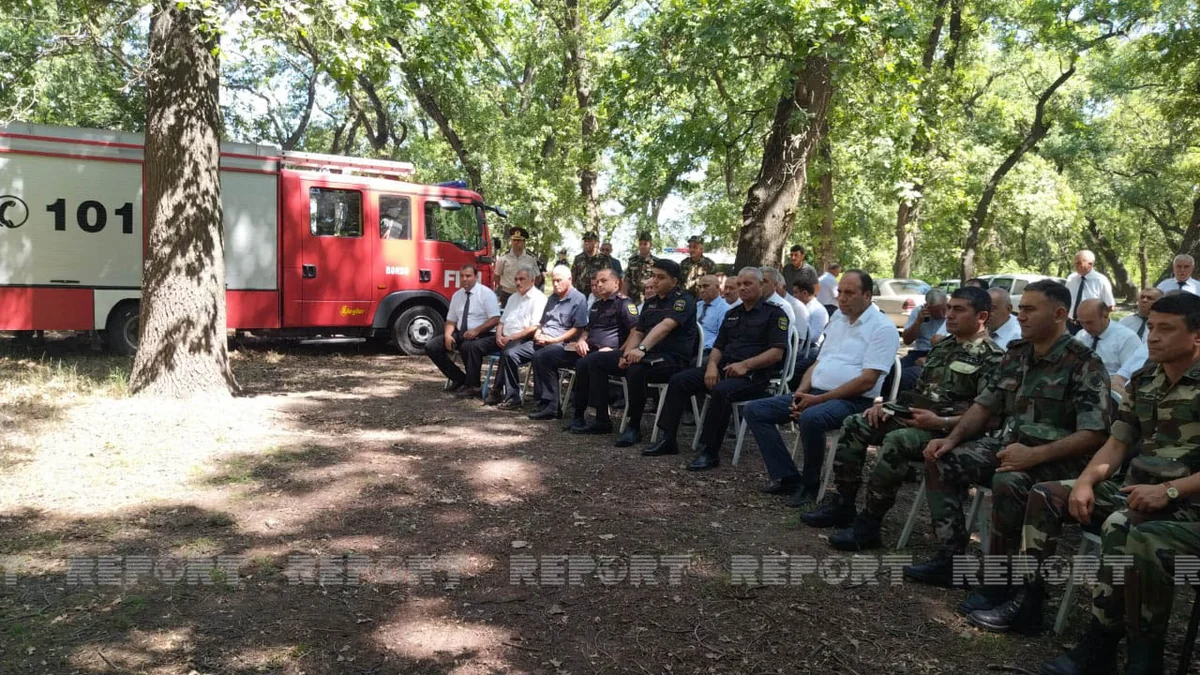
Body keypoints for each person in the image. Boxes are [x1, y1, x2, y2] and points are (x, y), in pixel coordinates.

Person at [965, 293, 1200, 675]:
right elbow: (1117, 442)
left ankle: (1118, 648)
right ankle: (1030, 600)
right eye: (1152, 328)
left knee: (1123, 528)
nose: (1153, 337)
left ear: (1197, 337)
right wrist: (1086, 483)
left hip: (1188, 502)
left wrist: (1170, 491)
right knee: (1047, 494)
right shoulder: (1147, 381)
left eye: (1166, 330)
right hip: (1140, 490)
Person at [902, 280, 1111, 596]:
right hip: (1010, 448)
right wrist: (952, 438)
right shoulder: (1017, 355)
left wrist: (1035, 456)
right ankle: (950, 561)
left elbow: (1094, 435)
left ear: (1058, 314)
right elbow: (986, 404)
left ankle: (1002, 583)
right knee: (942, 459)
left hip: (1059, 461)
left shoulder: (1084, 363)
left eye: (1029, 309)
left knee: (1008, 482)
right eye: (1020, 308)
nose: (1020, 315)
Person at [804, 287, 1005, 550]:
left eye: (959, 309)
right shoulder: (943, 347)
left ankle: (869, 524)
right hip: (919, 418)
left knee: (898, 440)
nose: (949, 315)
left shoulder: (994, 358)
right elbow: (920, 393)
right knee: (856, 423)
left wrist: (940, 423)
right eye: (949, 308)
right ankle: (843, 504)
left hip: (952, 431)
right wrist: (890, 407)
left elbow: (989, 418)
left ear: (981, 316)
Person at [744, 270, 899, 508]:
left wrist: (818, 400)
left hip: (855, 401)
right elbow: (819, 362)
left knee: (811, 417)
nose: (842, 298)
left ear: (867, 295)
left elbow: (868, 381)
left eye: (849, 293)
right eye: (840, 292)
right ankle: (787, 477)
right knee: (756, 410)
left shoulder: (882, 328)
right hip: (817, 394)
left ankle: (810, 483)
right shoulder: (837, 319)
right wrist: (801, 394)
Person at [642, 267, 788, 470]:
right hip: (723, 368)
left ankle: (710, 450)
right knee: (680, 380)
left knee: (722, 391)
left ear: (761, 285)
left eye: (748, 284)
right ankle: (668, 438)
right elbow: (718, 346)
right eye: (740, 284)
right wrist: (711, 366)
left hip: (753, 375)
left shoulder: (775, 314)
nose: (742, 288)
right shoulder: (732, 314)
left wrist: (745, 365)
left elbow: (776, 353)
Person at [569, 259, 697, 447]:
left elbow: (665, 327)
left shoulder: (683, 300)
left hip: (671, 358)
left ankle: (634, 426)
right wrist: (626, 354)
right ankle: (601, 419)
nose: (655, 281)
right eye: (654, 276)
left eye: (661, 277)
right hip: (645, 354)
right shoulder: (651, 302)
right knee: (594, 361)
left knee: (636, 368)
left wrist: (641, 350)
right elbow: (638, 331)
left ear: (675, 281)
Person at [531, 268, 637, 421]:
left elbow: (635, 331)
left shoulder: (624, 304)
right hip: (587, 350)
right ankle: (550, 405)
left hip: (609, 353)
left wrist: (618, 351)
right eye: (597, 282)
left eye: (603, 281)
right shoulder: (597, 305)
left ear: (616, 283)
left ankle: (580, 415)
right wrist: (581, 341)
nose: (599, 285)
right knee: (543, 355)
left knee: (584, 363)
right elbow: (586, 330)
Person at [492, 265, 588, 411]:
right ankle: (513, 397)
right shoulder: (552, 298)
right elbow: (542, 323)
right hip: (542, 339)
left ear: (570, 279)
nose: (555, 284)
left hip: (562, 343)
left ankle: (547, 403)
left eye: (559, 280)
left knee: (541, 356)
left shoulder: (578, 299)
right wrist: (538, 334)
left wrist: (553, 340)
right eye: (553, 280)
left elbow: (577, 329)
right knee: (509, 354)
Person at [425, 264, 502, 397]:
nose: (464, 279)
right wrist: (448, 335)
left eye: (468, 276)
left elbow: (495, 319)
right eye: (462, 276)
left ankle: (473, 386)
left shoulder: (486, 294)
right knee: (432, 346)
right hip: (462, 332)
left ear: (475, 277)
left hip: (484, 333)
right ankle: (459, 379)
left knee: (468, 346)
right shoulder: (457, 295)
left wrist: (477, 331)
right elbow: (451, 320)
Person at [483, 266, 548, 406]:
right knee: (474, 345)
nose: (518, 282)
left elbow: (534, 327)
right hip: (503, 336)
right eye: (516, 279)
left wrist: (511, 337)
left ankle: (504, 393)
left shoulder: (539, 299)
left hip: (523, 338)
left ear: (532, 280)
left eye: (522, 279)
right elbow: (502, 320)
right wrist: (499, 334)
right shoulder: (513, 297)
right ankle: (471, 385)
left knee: (508, 352)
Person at [1074, 298, 1149, 394]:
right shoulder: (1081, 335)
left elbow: (1132, 375)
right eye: (1081, 323)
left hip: (1111, 392)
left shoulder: (1127, 338)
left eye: (1089, 322)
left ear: (1105, 315)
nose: (1086, 327)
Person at [896, 289, 949, 390]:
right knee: (894, 370)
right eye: (936, 311)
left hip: (940, 355)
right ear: (927, 307)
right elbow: (907, 341)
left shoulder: (952, 315)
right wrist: (918, 321)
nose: (942, 314)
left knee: (906, 376)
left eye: (944, 309)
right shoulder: (918, 312)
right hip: (919, 352)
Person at [1065, 249, 1116, 333]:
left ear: (1090, 264)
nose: (1075, 265)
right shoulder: (1071, 278)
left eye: (1079, 263)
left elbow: (1109, 306)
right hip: (1069, 324)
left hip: (1089, 327)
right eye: (1075, 262)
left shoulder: (1101, 280)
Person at [493, 226, 540, 306]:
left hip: (525, 294)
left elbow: (538, 277)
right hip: (507, 294)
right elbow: (496, 276)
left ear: (524, 242)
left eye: (518, 240)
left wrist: (530, 290)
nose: (515, 242)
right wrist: (503, 287)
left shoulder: (531, 260)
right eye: (514, 240)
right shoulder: (503, 259)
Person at [792, 274, 829, 350]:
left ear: (805, 293)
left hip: (811, 349)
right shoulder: (798, 307)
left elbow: (814, 337)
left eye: (796, 292)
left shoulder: (818, 310)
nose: (793, 296)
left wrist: (793, 334)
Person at [695, 275, 731, 352]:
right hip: (689, 345)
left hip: (708, 349)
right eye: (700, 287)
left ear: (717, 288)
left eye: (705, 286)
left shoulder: (725, 309)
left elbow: (722, 336)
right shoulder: (697, 306)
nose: (701, 290)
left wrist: (705, 346)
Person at [571, 231, 612, 297]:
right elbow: (572, 278)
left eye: (589, 241)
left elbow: (608, 279)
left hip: (597, 295)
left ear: (595, 243)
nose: (586, 243)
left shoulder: (603, 259)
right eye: (585, 241)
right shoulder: (578, 259)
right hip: (579, 294)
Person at [625, 231, 658, 305]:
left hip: (650, 297)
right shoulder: (632, 261)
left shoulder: (656, 262)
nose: (643, 246)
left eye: (645, 244)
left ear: (650, 245)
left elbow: (658, 281)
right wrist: (624, 297)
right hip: (633, 298)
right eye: (641, 244)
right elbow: (626, 280)